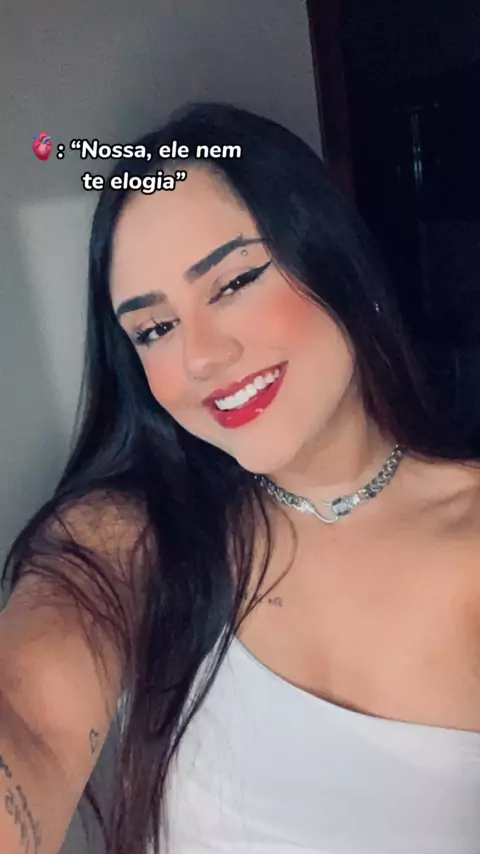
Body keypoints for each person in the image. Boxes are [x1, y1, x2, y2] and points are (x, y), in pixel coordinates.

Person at [1, 102, 480, 854]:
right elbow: (28, 714)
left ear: (335, 262)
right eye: (155, 328)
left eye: (233, 282)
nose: (201, 356)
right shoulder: (137, 533)